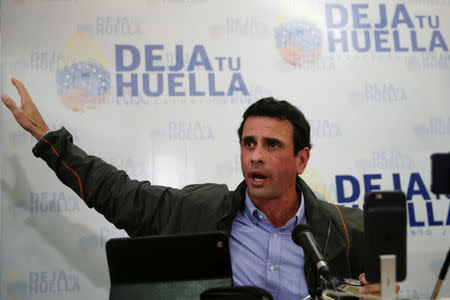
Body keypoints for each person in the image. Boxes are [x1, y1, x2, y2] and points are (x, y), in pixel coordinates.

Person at [2, 78, 395, 299]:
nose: (255, 156)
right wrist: (48, 138)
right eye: (248, 143)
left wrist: (380, 294)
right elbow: (118, 193)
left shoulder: (347, 229)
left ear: (301, 159)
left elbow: (390, 287)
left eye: (272, 145)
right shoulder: (199, 211)